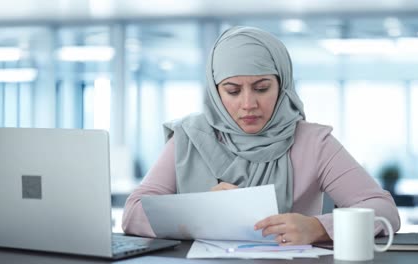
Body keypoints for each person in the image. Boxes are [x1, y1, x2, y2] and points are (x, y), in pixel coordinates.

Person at [122, 26, 400, 245]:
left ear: (282, 85)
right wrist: (201, 212)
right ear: (215, 93)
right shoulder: (189, 137)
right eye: (232, 91)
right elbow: (133, 213)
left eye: (262, 87)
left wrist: (318, 228)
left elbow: (384, 210)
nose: (248, 104)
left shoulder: (314, 143)